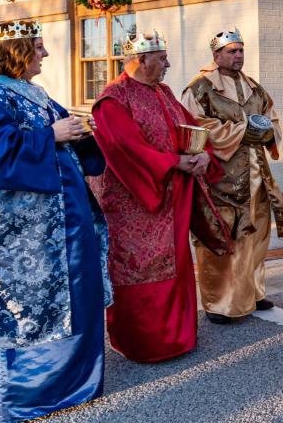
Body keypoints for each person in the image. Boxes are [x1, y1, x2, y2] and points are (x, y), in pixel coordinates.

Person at [0, 20, 109, 422]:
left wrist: (79, 134)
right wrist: (52, 135)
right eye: (39, 47)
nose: (45, 54)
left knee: (78, 302)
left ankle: (70, 385)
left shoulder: (36, 95)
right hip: (15, 240)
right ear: (17, 51)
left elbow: (67, 138)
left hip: (65, 227)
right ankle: (19, 397)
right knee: (21, 314)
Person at [93, 30, 223, 362]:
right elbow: (125, 148)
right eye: (161, 58)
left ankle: (179, 337)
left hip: (173, 197)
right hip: (135, 203)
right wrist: (175, 162)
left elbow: (191, 126)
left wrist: (204, 153)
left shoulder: (163, 91)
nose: (167, 64)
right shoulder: (113, 99)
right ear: (140, 60)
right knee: (140, 271)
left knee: (178, 265)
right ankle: (144, 344)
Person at [181, 29, 283, 324]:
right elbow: (193, 126)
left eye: (241, 50)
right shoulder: (200, 89)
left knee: (256, 237)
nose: (238, 56)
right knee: (223, 238)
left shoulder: (254, 88)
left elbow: (271, 117)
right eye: (232, 51)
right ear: (216, 56)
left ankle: (253, 293)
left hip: (258, 177)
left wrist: (268, 132)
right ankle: (220, 304)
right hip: (222, 178)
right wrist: (242, 130)